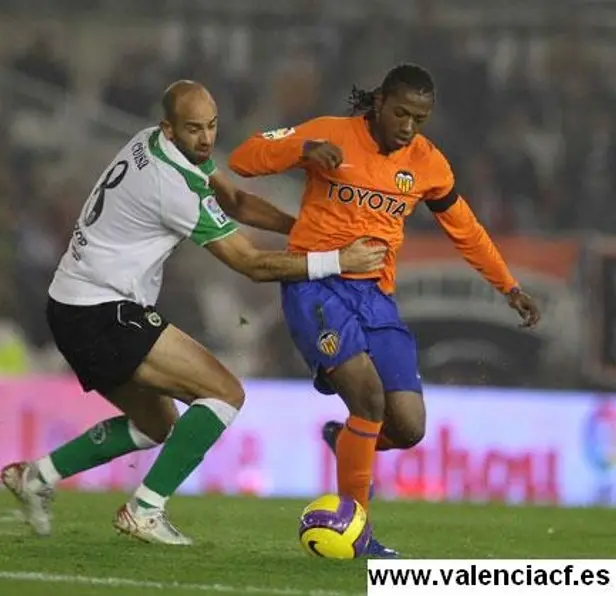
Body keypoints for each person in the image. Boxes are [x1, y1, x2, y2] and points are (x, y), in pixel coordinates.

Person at [0, 81, 386, 546]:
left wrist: (309, 230)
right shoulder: (171, 186)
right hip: (102, 310)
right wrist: (339, 260)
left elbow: (237, 202)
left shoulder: (154, 143)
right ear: (170, 127)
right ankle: (144, 510)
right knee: (224, 392)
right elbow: (249, 264)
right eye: (194, 129)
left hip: (74, 304)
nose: (206, 139)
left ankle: (36, 477)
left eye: (211, 126)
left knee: (157, 425)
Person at [228, 64, 541, 558]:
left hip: (375, 295)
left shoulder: (428, 164)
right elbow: (244, 158)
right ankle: (359, 529)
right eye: (401, 113)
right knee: (368, 398)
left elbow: (466, 230)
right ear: (378, 103)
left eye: (420, 118)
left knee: (410, 427)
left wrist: (509, 286)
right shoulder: (330, 133)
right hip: (314, 285)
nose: (409, 126)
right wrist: (302, 150)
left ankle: (346, 439)